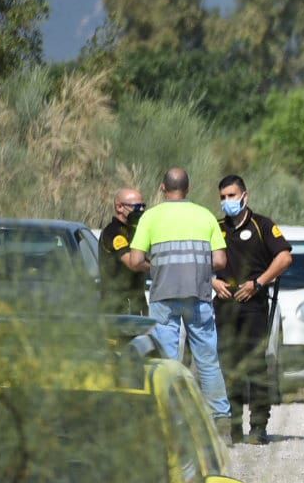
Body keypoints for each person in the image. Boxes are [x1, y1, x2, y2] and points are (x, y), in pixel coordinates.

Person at [125, 168, 231, 431]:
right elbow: (220, 260)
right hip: (199, 294)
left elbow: (136, 260)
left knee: (168, 361)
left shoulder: (150, 217)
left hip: (163, 296)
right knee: (207, 358)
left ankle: (172, 421)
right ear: (188, 188)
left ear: (163, 188)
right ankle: (220, 418)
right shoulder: (204, 215)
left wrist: (155, 266)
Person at [214, 174, 293, 445]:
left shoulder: (262, 225)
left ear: (244, 196)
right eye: (223, 197)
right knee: (228, 367)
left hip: (253, 305)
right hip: (224, 305)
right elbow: (201, 260)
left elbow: (284, 257)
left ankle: (258, 426)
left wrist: (258, 283)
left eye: (232, 196)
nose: (227, 202)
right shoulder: (215, 227)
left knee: (256, 367)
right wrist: (212, 281)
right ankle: (232, 426)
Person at [98, 187, 147, 315]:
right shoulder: (113, 232)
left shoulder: (133, 231)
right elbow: (132, 263)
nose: (141, 210)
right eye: (136, 207)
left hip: (135, 302)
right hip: (117, 307)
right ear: (119, 207)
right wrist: (158, 266)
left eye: (143, 206)